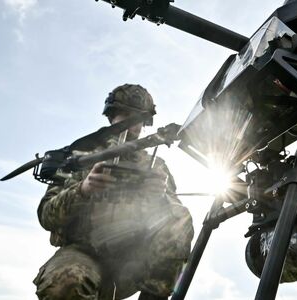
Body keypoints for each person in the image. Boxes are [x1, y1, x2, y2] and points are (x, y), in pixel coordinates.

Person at [33, 84, 194, 300]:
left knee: (179, 217)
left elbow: (176, 223)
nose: (131, 122)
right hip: (83, 253)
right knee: (66, 282)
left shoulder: (155, 165)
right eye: (124, 114)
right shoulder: (80, 158)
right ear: (112, 116)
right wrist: (82, 190)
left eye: (137, 116)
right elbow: (46, 216)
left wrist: (158, 198)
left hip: (133, 261)